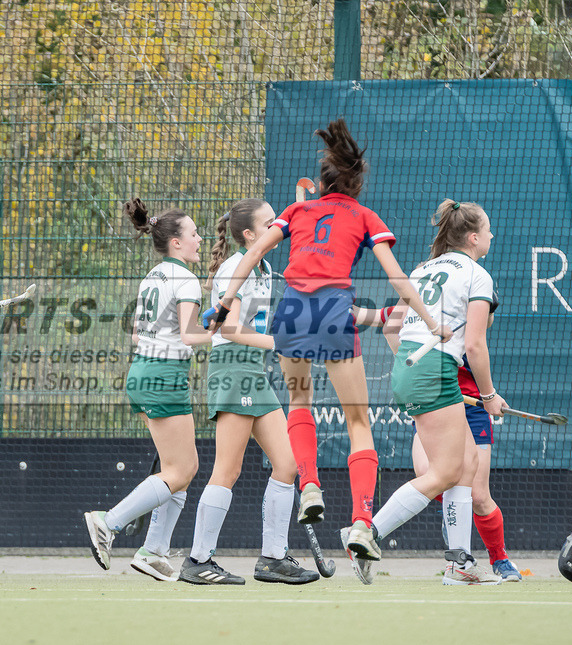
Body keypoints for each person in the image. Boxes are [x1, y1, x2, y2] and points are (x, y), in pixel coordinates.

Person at [209, 119, 449, 564]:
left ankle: (310, 486)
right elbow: (396, 275)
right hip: (335, 315)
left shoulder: (297, 212)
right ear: (357, 185)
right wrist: (432, 322)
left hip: (294, 315)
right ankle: (361, 522)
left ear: (321, 184)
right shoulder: (362, 215)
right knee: (359, 423)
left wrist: (224, 302)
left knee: (300, 404)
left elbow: (256, 252)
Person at [349, 199, 507, 585]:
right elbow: (474, 346)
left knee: (466, 465)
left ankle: (460, 564)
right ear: (473, 237)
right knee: (447, 471)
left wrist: (417, 367)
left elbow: (392, 329)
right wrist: (488, 396)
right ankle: (365, 534)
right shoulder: (477, 275)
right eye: (487, 230)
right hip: (435, 370)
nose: (491, 235)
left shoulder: (423, 268)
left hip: (410, 367)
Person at [180, 199, 318, 585]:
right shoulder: (233, 268)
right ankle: (197, 560)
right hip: (233, 369)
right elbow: (229, 328)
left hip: (253, 371)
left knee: (287, 464)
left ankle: (273, 559)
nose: (279, 226)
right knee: (228, 468)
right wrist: (278, 343)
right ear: (249, 234)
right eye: (270, 222)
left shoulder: (265, 266)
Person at [83, 198, 211, 581]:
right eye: (193, 233)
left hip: (142, 371)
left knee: (182, 469)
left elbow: (140, 331)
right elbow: (190, 334)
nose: (199, 239)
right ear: (175, 242)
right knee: (182, 468)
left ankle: (153, 550)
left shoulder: (153, 275)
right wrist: (227, 335)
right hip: (163, 377)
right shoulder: (185, 279)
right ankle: (109, 521)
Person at [358, 293, 521, 582]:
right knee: (435, 477)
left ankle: (497, 560)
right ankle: (455, 559)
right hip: (436, 404)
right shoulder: (421, 310)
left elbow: (480, 338)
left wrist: (489, 396)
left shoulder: (471, 315)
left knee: (478, 494)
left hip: (472, 408)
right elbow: (381, 321)